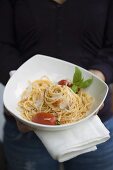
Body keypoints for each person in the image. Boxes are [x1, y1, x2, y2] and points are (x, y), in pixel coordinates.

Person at [0, 0, 113, 169]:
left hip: (94, 122)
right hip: (24, 124)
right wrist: (19, 82)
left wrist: (98, 75)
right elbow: (2, 46)